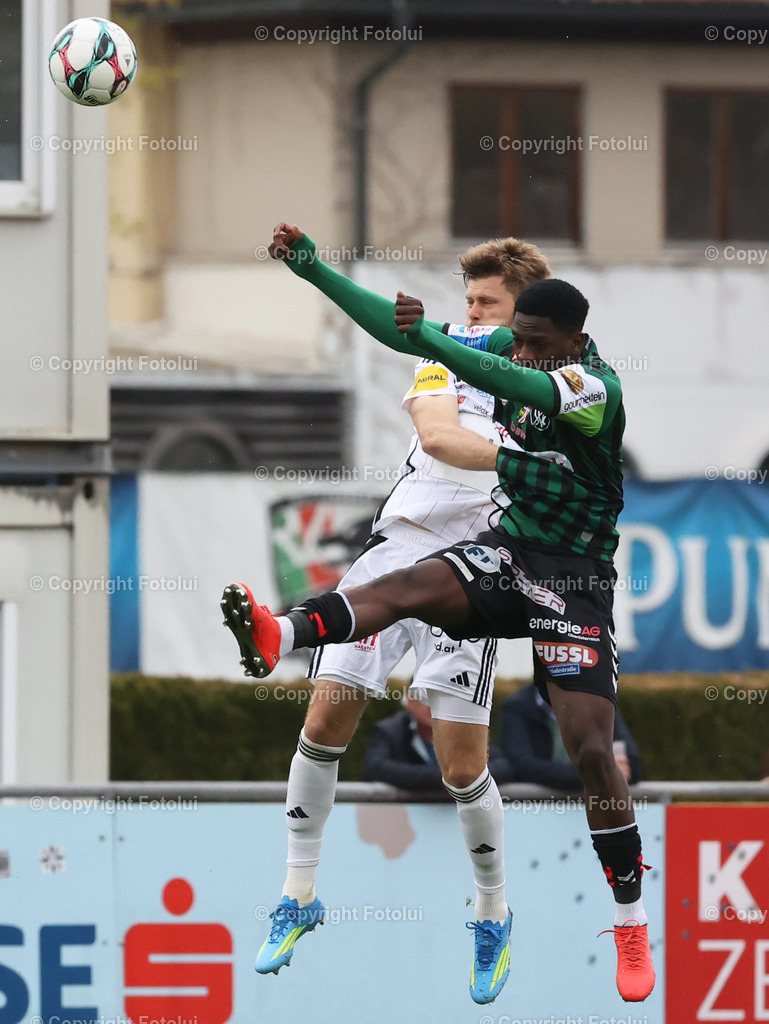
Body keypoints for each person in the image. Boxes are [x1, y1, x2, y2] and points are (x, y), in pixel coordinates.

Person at [222, 231, 655, 1004]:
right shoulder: (480, 345)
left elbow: (489, 400)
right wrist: (316, 270)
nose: (478, 318)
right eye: (479, 312)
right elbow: (432, 421)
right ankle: (280, 640)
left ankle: (538, 914)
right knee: (340, 693)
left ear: (554, 330)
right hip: (478, 551)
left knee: (542, 755)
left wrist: (453, 362)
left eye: (491, 307)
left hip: (567, 574)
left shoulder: (585, 383)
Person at [500, 682, 642, 791]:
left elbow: (631, 765)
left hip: (595, 808)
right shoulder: (519, 705)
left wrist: (599, 774)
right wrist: (598, 774)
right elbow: (520, 765)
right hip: (535, 810)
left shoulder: (600, 703)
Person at [363, 695, 514, 791]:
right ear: (408, 700)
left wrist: (464, 777)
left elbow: (502, 766)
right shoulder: (390, 730)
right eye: (424, 697)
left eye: (440, 696)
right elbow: (375, 767)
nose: (432, 704)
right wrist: (447, 778)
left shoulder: (465, 729)